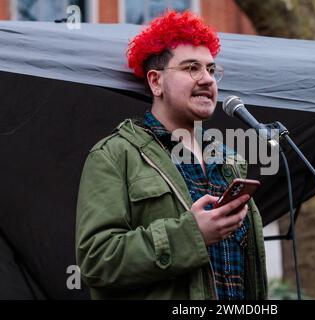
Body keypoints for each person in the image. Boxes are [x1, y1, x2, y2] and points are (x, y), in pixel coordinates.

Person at [75, 10, 267, 300]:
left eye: (212, 70)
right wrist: (191, 235)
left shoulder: (231, 164)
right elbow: (96, 262)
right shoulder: (114, 155)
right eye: (192, 68)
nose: (207, 80)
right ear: (156, 82)